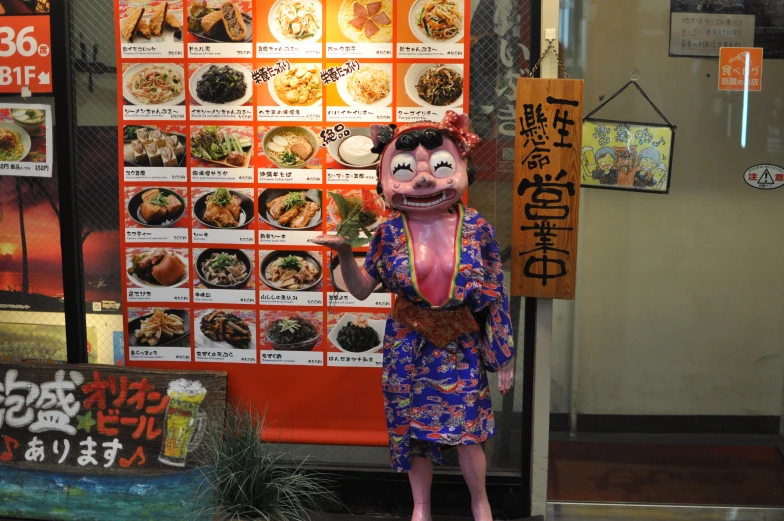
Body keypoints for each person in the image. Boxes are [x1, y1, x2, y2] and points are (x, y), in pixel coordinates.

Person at [314, 111, 515, 521]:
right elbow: (362, 288)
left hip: (460, 343)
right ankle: (419, 507)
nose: (423, 180)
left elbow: (495, 291)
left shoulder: (476, 228)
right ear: (385, 181)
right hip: (409, 345)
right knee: (413, 432)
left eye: (440, 167)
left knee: (469, 431)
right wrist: (344, 254)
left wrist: (502, 354)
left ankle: (481, 501)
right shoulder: (388, 233)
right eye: (405, 171)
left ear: (461, 168)